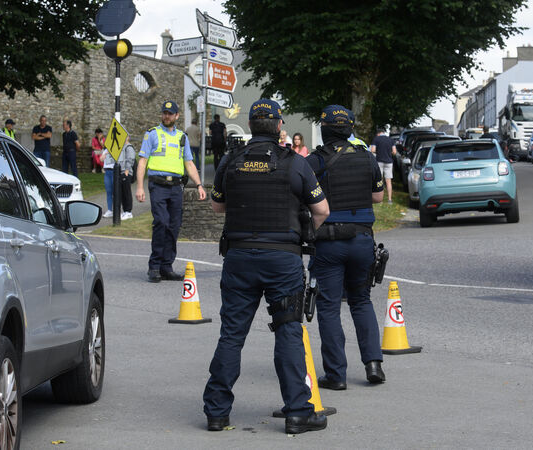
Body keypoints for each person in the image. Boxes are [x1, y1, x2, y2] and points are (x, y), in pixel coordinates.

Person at [203, 99, 330, 435]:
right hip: (282, 259)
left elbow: (217, 207)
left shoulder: (231, 160)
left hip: (240, 257)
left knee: (231, 335)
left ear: (251, 125)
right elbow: (322, 210)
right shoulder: (294, 163)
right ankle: (298, 413)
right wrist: (305, 237)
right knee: (288, 331)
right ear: (278, 126)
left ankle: (217, 413)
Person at [306, 105, 386, 392]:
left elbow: (304, 197)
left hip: (329, 242)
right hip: (362, 240)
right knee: (361, 301)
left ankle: (336, 375)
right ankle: (373, 364)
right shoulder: (366, 157)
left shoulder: (315, 161)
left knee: (328, 307)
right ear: (350, 129)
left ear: (325, 129)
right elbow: (378, 197)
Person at [135, 100, 206, 282]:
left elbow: (189, 163)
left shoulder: (182, 137)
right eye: (164, 113)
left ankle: (167, 267)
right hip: (158, 185)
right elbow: (142, 161)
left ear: (177, 116)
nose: (166, 116)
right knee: (161, 222)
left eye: (170, 113)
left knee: (174, 226)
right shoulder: (152, 134)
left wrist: (199, 184)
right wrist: (140, 187)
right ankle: (155, 267)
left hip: (176, 187)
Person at [102, 140, 136, 220]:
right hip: (121, 173)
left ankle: (128, 212)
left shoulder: (128, 147)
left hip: (126, 173)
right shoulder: (121, 148)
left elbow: (131, 159)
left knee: (126, 192)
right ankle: (125, 211)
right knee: (122, 193)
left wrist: (127, 171)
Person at [370, 128, 397, 203]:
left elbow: (372, 150)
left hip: (379, 161)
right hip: (389, 162)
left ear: (378, 133)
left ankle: (380, 199)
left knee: (379, 181)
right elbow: (394, 152)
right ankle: (389, 199)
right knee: (388, 181)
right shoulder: (390, 140)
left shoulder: (376, 139)